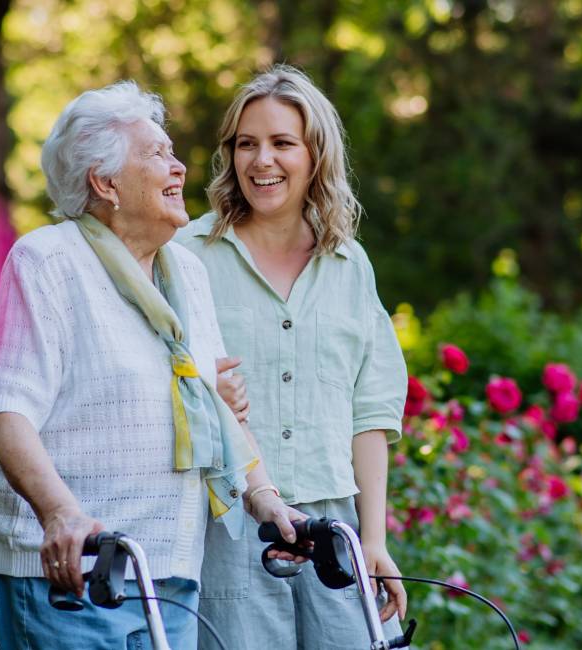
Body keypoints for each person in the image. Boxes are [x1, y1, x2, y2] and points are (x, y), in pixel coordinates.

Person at [0, 80, 303, 650]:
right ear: (105, 183)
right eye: (157, 155)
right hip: (77, 571)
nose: (179, 168)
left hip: (170, 569)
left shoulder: (186, 273)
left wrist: (265, 496)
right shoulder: (50, 261)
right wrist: (60, 514)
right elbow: (6, 411)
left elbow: (212, 405)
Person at [179, 65, 409, 649]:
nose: (262, 161)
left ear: (315, 155)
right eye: (246, 144)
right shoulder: (186, 257)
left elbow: (371, 411)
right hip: (228, 530)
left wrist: (374, 540)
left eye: (282, 143)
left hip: (335, 531)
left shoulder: (349, 264)